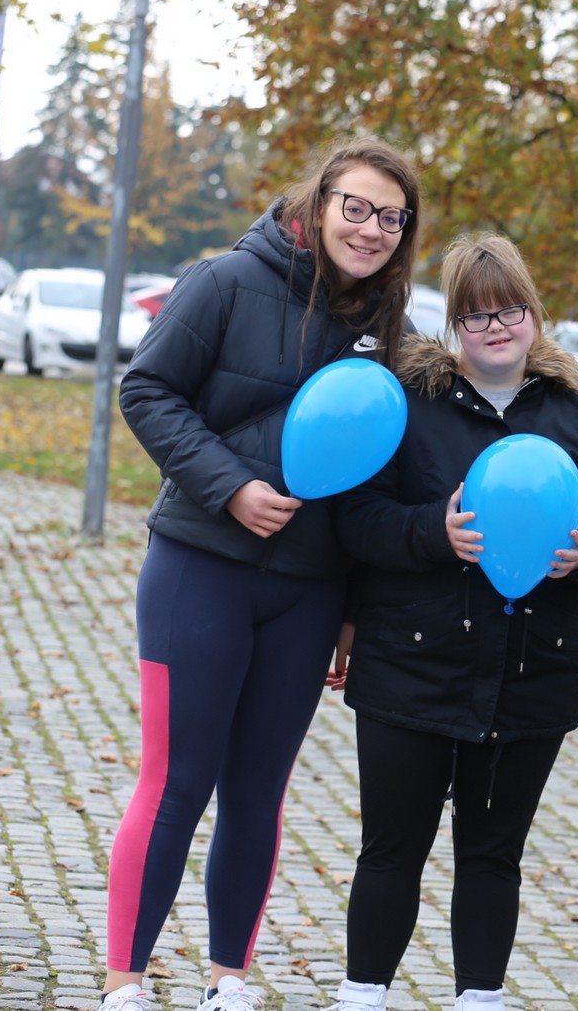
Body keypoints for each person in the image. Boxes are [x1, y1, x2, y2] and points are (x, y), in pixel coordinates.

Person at [107, 137, 423, 1011]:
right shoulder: (222, 280)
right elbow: (146, 392)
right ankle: (125, 980)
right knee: (177, 779)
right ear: (319, 204)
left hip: (309, 591)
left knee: (257, 790)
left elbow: (379, 475)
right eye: (355, 206)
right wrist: (231, 486)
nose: (370, 228)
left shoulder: (387, 324)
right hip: (198, 571)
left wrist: (353, 609)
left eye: (390, 218)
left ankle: (227, 979)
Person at [320, 233, 578, 1011]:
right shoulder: (411, 404)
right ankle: (362, 995)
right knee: (392, 850)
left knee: (493, 856)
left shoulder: (574, 417)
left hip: (531, 674)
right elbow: (358, 519)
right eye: (477, 315)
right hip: (410, 669)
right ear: (454, 324)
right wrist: (437, 531)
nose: (496, 328)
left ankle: (479, 999)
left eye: (510, 310)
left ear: (535, 316)